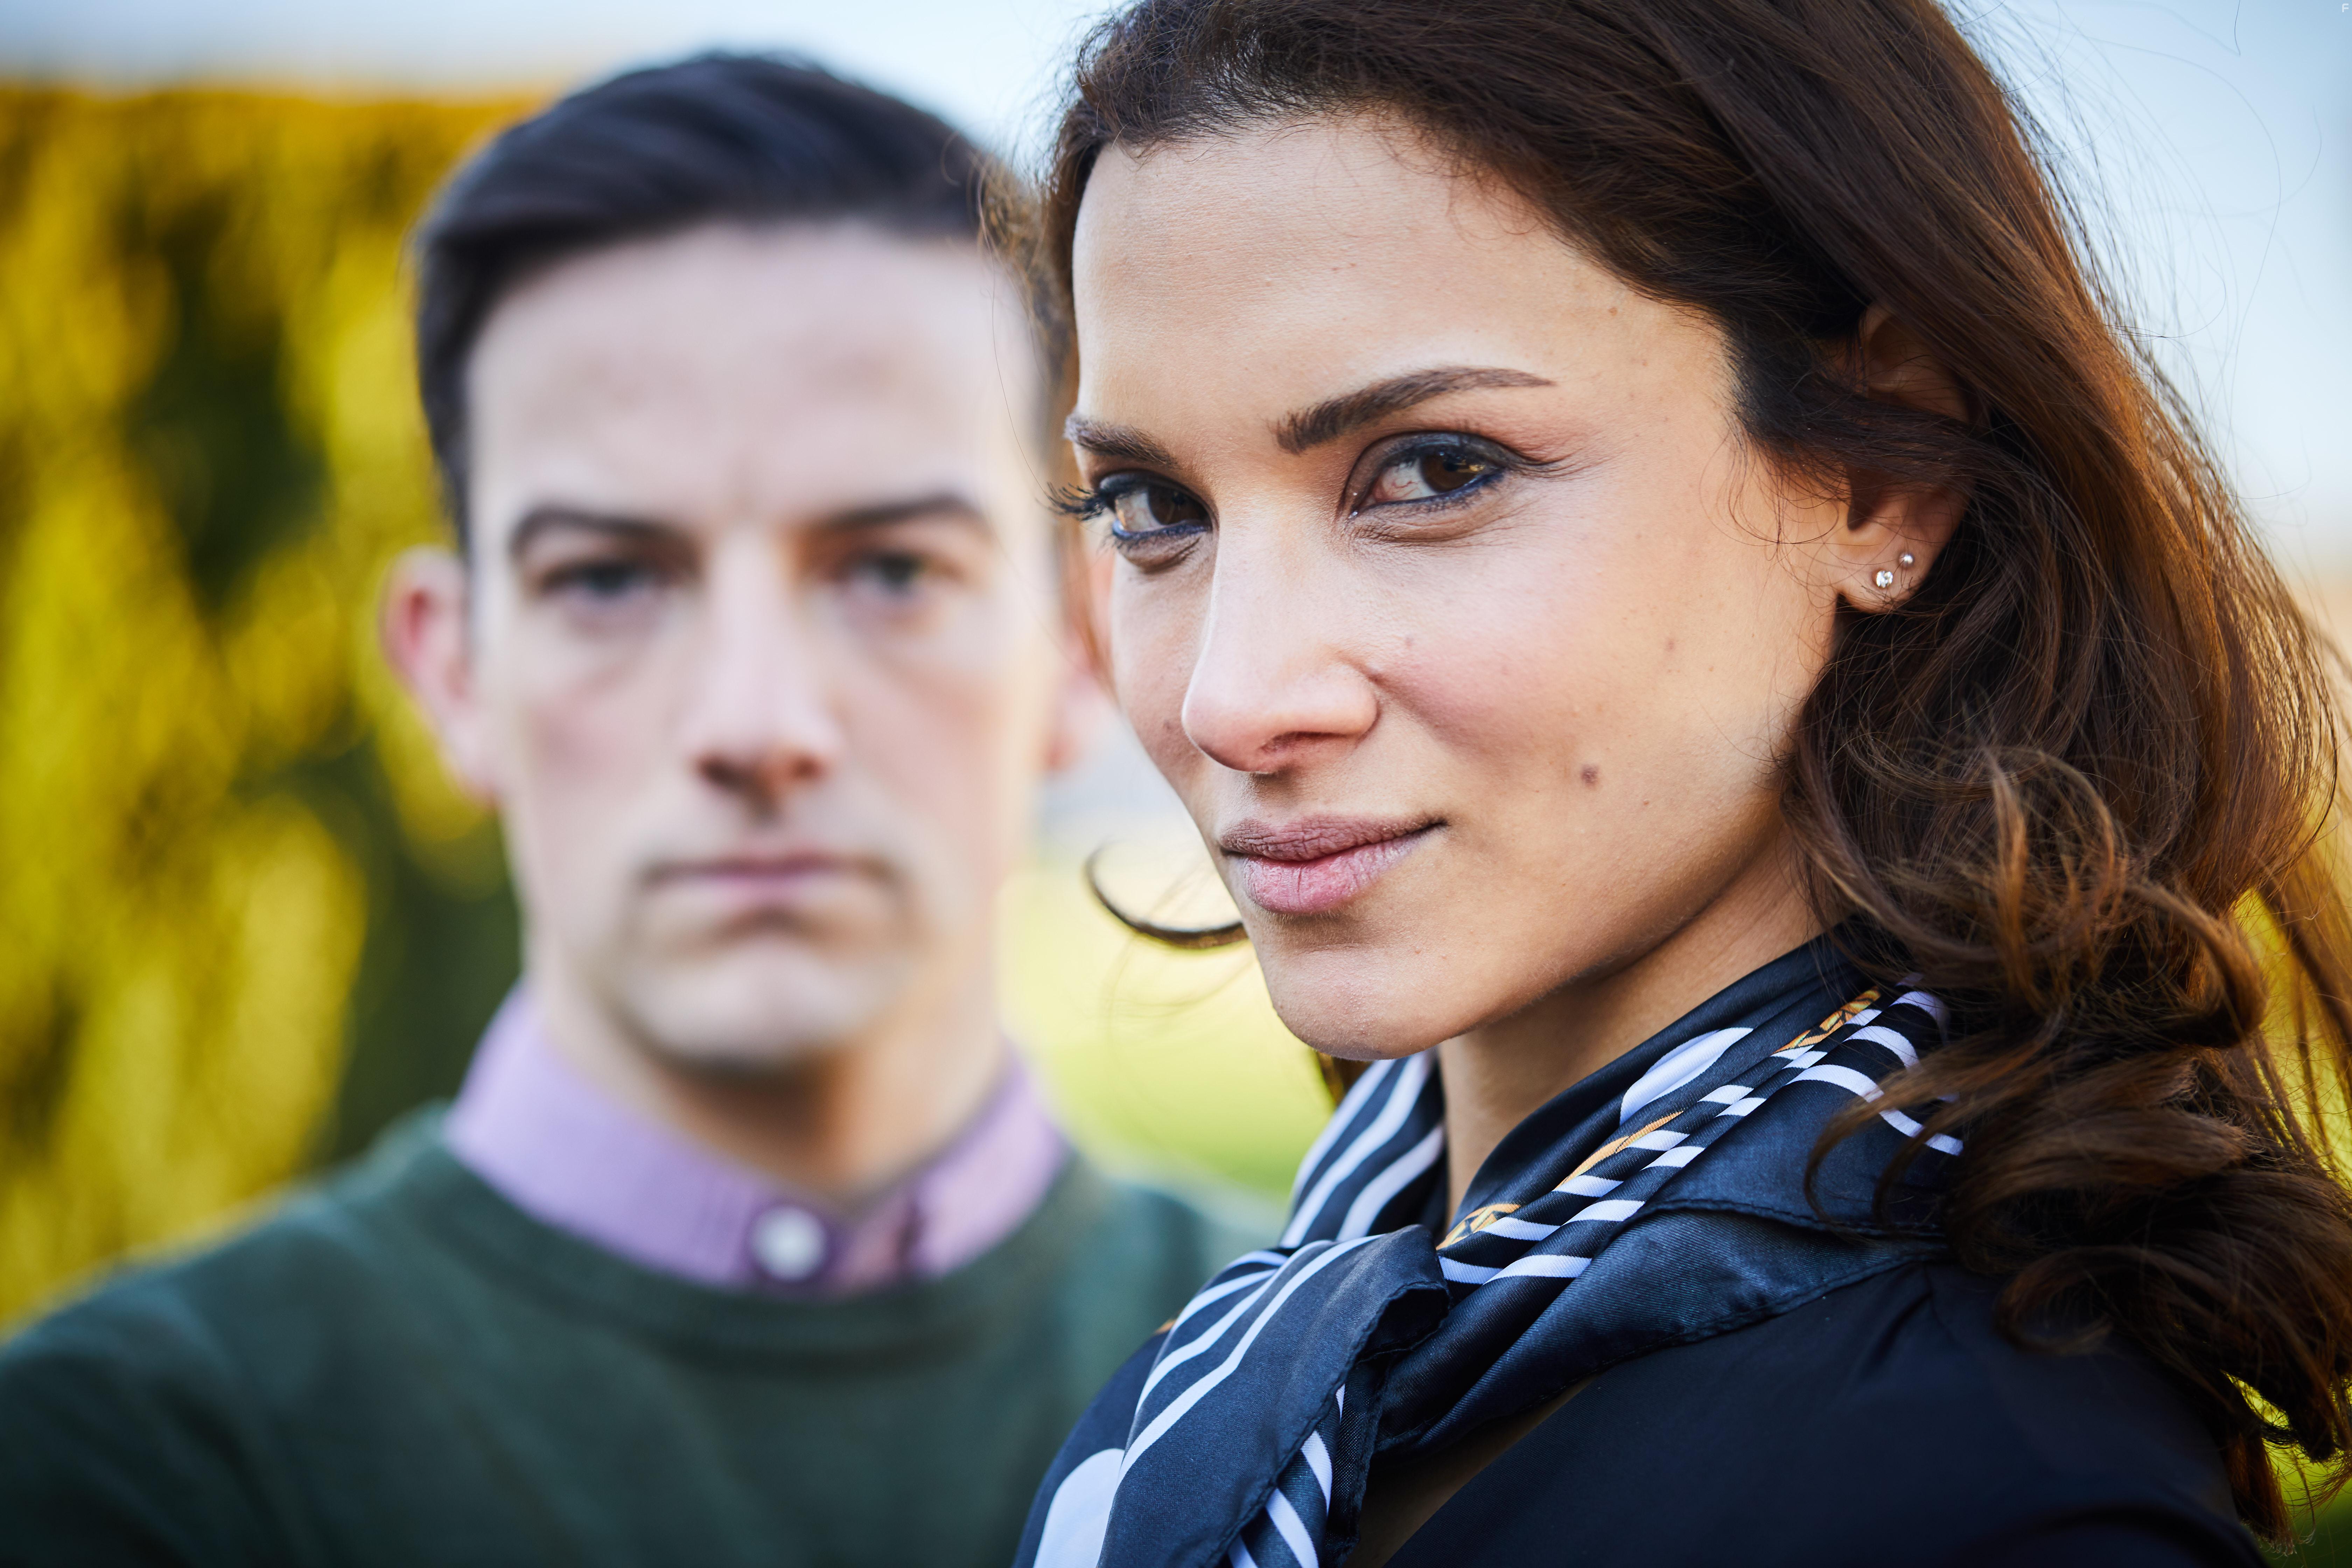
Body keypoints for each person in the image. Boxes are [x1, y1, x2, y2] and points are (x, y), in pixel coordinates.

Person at [1007, 2, 2352, 1565]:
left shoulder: (1992, 1507)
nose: (1231, 696)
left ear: (1882, 470)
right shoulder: (1312, 1336)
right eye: (1151, 504)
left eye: (1436, 471)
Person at [0, 55, 1252, 1568]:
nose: (756, 724)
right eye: (609, 579)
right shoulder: (117, 1461)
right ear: (453, 672)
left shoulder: (1337, 1404)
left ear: (1079, 641)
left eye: (890, 570)